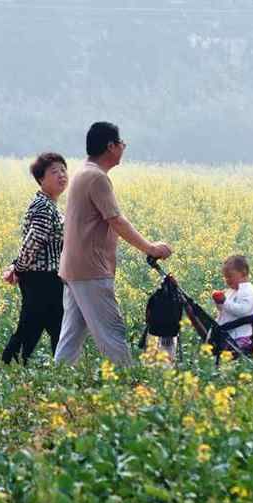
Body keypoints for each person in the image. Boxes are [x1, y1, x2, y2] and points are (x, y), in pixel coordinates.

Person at [54, 121, 172, 366]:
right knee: (112, 331)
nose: (123, 147)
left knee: (72, 334)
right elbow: (116, 220)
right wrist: (150, 248)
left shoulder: (83, 172)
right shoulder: (97, 178)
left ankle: (56, 380)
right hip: (90, 269)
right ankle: (128, 382)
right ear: (111, 146)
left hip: (74, 267)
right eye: (121, 143)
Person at [1, 152, 68, 365]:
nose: (61, 175)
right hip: (41, 279)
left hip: (48, 277)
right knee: (32, 327)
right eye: (54, 172)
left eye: (63, 170)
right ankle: (9, 365)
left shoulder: (50, 205)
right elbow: (34, 241)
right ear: (41, 179)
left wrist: (16, 266)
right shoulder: (43, 206)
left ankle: (61, 368)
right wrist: (19, 269)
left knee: (54, 327)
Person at [212, 254, 253, 353]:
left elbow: (243, 311)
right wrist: (219, 303)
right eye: (225, 277)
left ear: (243, 273)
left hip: (240, 336)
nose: (227, 280)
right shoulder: (231, 291)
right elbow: (223, 309)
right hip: (227, 334)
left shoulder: (248, 291)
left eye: (230, 276)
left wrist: (224, 301)